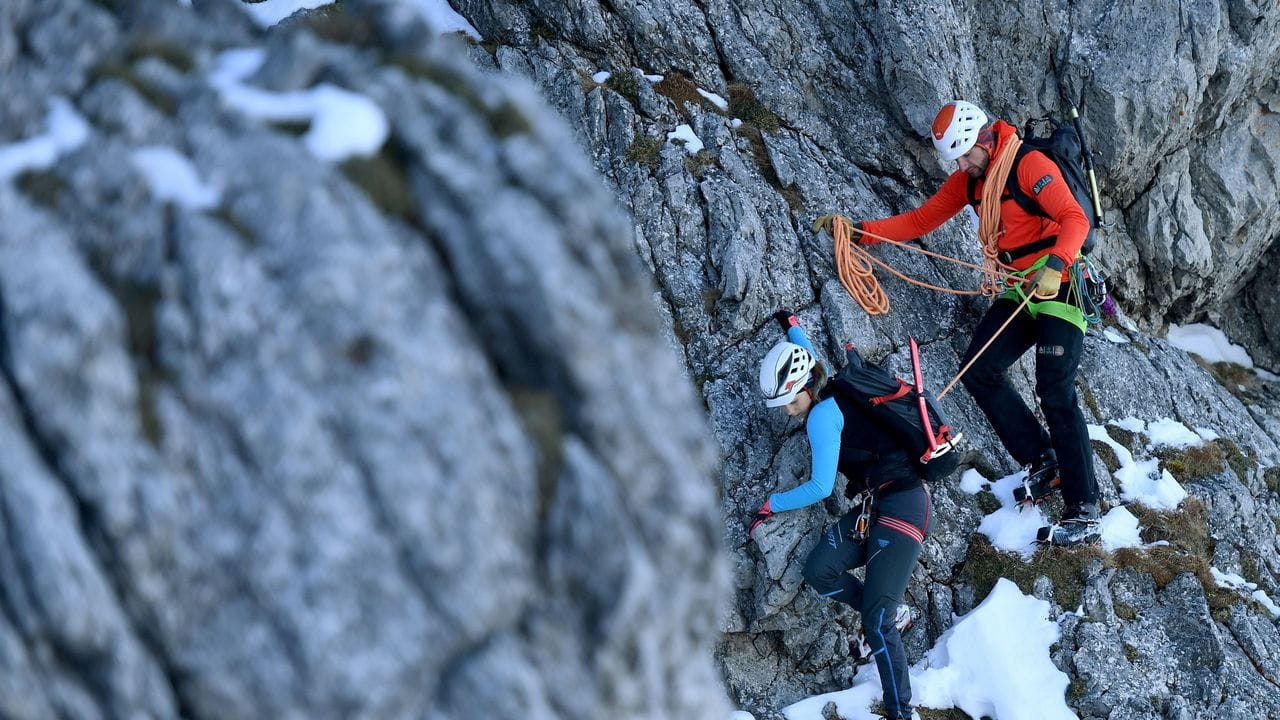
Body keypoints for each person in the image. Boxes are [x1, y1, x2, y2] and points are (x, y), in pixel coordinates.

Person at [823, 99, 1100, 546]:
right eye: (957, 157)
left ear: (985, 139)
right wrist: (856, 232)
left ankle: (1084, 506)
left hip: (1062, 283)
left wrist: (1056, 263)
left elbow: (1075, 218)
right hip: (1020, 288)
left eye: (967, 153)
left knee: (1055, 390)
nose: (963, 163)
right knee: (980, 368)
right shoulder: (972, 181)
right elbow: (920, 220)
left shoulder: (1029, 164)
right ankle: (1041, 458)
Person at [749, 310, 931, 720]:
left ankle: (902, 710)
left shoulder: (820, 417)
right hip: (878, 506)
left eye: (789, 401)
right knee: (820, 570)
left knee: (876, 621)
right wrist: (790, 326)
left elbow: (820, 488)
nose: (786, 410)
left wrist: (771, 504)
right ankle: (891, 611)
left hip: (904, 506)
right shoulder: (824, 380)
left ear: (803, 389)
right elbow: (808, 353)